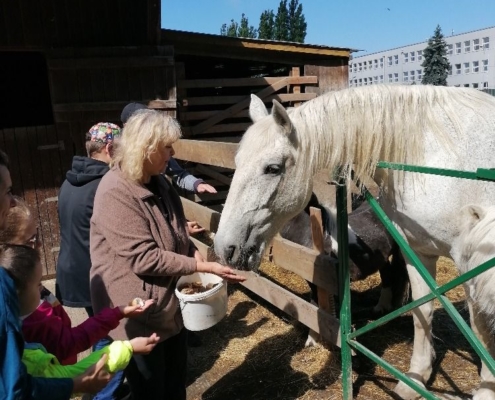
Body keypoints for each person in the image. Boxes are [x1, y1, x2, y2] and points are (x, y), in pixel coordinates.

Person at [90, 109, 246, 399]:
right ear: (145, 148)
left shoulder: (160, 182)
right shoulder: (114, 192)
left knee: (175, 386)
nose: (172, 152)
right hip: (137, 312)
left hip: (168, 308)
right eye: (167, 146)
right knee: (150, 390)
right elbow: (143, 257)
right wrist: (208, 269)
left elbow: (177, 231)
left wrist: (196, 258)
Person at [0, 149, 112, 399]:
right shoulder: (20, 307)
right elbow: (16, 388)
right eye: (31, 241)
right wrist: (76, 384)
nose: (38, 245)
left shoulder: (35, 290)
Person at [0, 196, 157, 365]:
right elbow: (68, 344)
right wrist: (127, 348)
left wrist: (119, 312)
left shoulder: (30, 289)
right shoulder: (30, 309)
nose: (38, 245)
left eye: (38, 235)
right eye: (30, 240)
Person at [0, 244, 160, 380]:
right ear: (15, 292)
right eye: (37, 284)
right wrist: (128, 348)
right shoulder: (37, 326)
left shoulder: (14, 325)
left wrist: (118, 312)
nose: (42, 288)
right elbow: (69, 376)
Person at [120, 102, 217, 195]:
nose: (172, 152)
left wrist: (196, 184)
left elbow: (178, 173)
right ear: (127, 126)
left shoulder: (158, 153)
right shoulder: (116, 160)